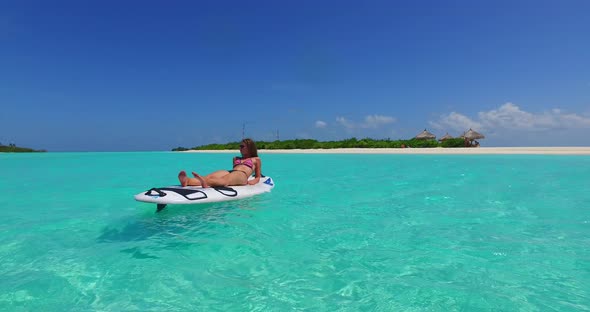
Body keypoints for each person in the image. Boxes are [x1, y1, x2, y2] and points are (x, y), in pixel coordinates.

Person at [178, 138, 262, 188]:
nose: (239, 148)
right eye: (239, 146)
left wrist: (252, 182)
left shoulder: (256, 159)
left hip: (242, 174)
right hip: (231, 172)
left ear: (249, 148)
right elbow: (233, 170)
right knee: (210, 176)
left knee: (225, 180)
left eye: (242, 146)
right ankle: (187, 181)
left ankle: (205, 183)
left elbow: (258, 177)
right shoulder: (235, 158)